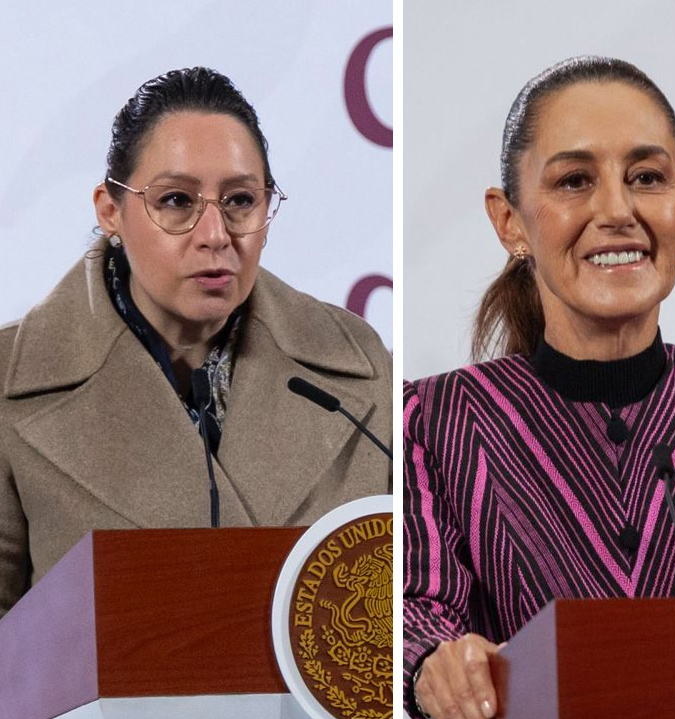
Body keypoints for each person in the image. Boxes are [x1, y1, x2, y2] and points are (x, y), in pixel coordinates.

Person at [403, 56, 675, 719]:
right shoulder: (436, 422)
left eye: (647, 177)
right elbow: (417, 608)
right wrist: (436, 663)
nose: (617, 212)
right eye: (575, 181)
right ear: (510, 221)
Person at [0, 67, 392, 617]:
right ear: (110, 211)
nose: (215, 235)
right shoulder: (12, 380)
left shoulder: (359, 367)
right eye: (178, 200)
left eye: (239, 201)